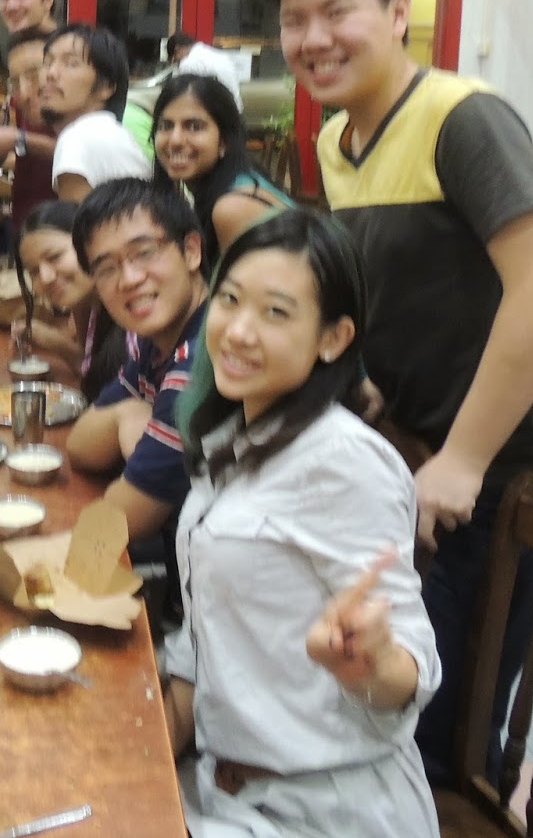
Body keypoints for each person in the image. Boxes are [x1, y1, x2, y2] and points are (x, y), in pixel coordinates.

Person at [266, 0, 533, 786]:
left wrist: (466, 458)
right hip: (412, 454)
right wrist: (370, 380)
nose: (313, 39)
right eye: (294, 21)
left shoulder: (460, 118)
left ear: (398, 10)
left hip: (504, 466)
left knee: (444, 718)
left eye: (337, 11)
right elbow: (386, 280)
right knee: (393, 681)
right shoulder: (336, 140)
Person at [163, 208, 440, 838]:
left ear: (333, 339)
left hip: (323, 809)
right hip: (222, 786)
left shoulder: (343, 462)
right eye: (230, 299)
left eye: (275, 313)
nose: (238, 331)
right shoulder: (234, 435)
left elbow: (412, 661)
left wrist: (373, 663)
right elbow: (208, 633)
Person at [66, 179, 207, 544]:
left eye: (144, 253)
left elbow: (120, 522)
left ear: (191, 251)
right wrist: (128, 412)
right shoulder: (155, 342)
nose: (129, 279)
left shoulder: (203, 360)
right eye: (106, 269)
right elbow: (81, 445)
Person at [153, 73, 294, 272]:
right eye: (166, 126)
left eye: (194, 127)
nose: (175, 140)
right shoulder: (224, 185)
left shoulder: (233, 207)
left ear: (225, 141)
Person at [15, 200, 127, 402]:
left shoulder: (132, 319)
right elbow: (94, 372)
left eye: (55, 257)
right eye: (33, 271)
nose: (46, 277)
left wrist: (53, 341)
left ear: (93, 245)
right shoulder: (94, 307)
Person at [42, 23, 151, 201]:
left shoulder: (79, 137)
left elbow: (75, 218)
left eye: (71, 63)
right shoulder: (107, 132)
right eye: (47, 63)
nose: (51, 73)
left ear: (107, 87)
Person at [0, 26, 59, 233]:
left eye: (34, 76)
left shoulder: (79, 117)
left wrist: (20, 139)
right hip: (24, 229)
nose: (24, 92)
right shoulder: (22, 112)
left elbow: (77, 154)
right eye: (15, 82)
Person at [166, 31, 244, 109]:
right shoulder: (207, 51)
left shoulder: (188, 63)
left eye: (176, 60)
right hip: (234, 106)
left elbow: (183, 91)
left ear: (178, 49)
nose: (178, 63)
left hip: (219, 109)